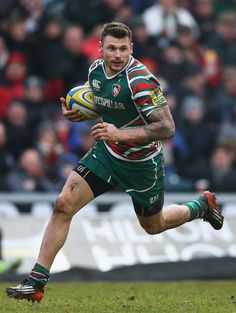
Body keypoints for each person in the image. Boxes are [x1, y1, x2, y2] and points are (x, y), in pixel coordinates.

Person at [6, 21, 224, 303]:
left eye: (123, 49)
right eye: (112, 48)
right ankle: (36, 282)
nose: (118, 54)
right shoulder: (95, 70)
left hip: (142, 161)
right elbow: (104, 102)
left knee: (153, 225)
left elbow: (167, 127)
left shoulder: (140, 80)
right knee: (63, 205)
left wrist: (119, 133)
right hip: (108, 153)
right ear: (101, 48)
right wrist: (79, 114)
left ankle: (201, 206)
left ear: (131, 49)